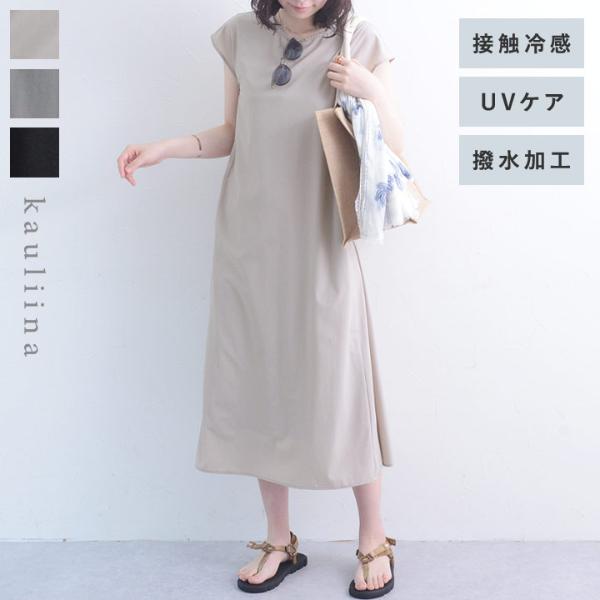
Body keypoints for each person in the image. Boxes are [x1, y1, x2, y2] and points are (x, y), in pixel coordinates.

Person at [116, 1, 405, 596]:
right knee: (261, 383)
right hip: (249, 240)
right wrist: (166, 147)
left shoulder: (359, 40)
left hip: (321, 240)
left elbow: (397, 149)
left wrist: (371, 87)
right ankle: (279, 539)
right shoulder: (240, 36)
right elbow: (234, 132)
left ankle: (373, 537)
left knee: (342, 384)